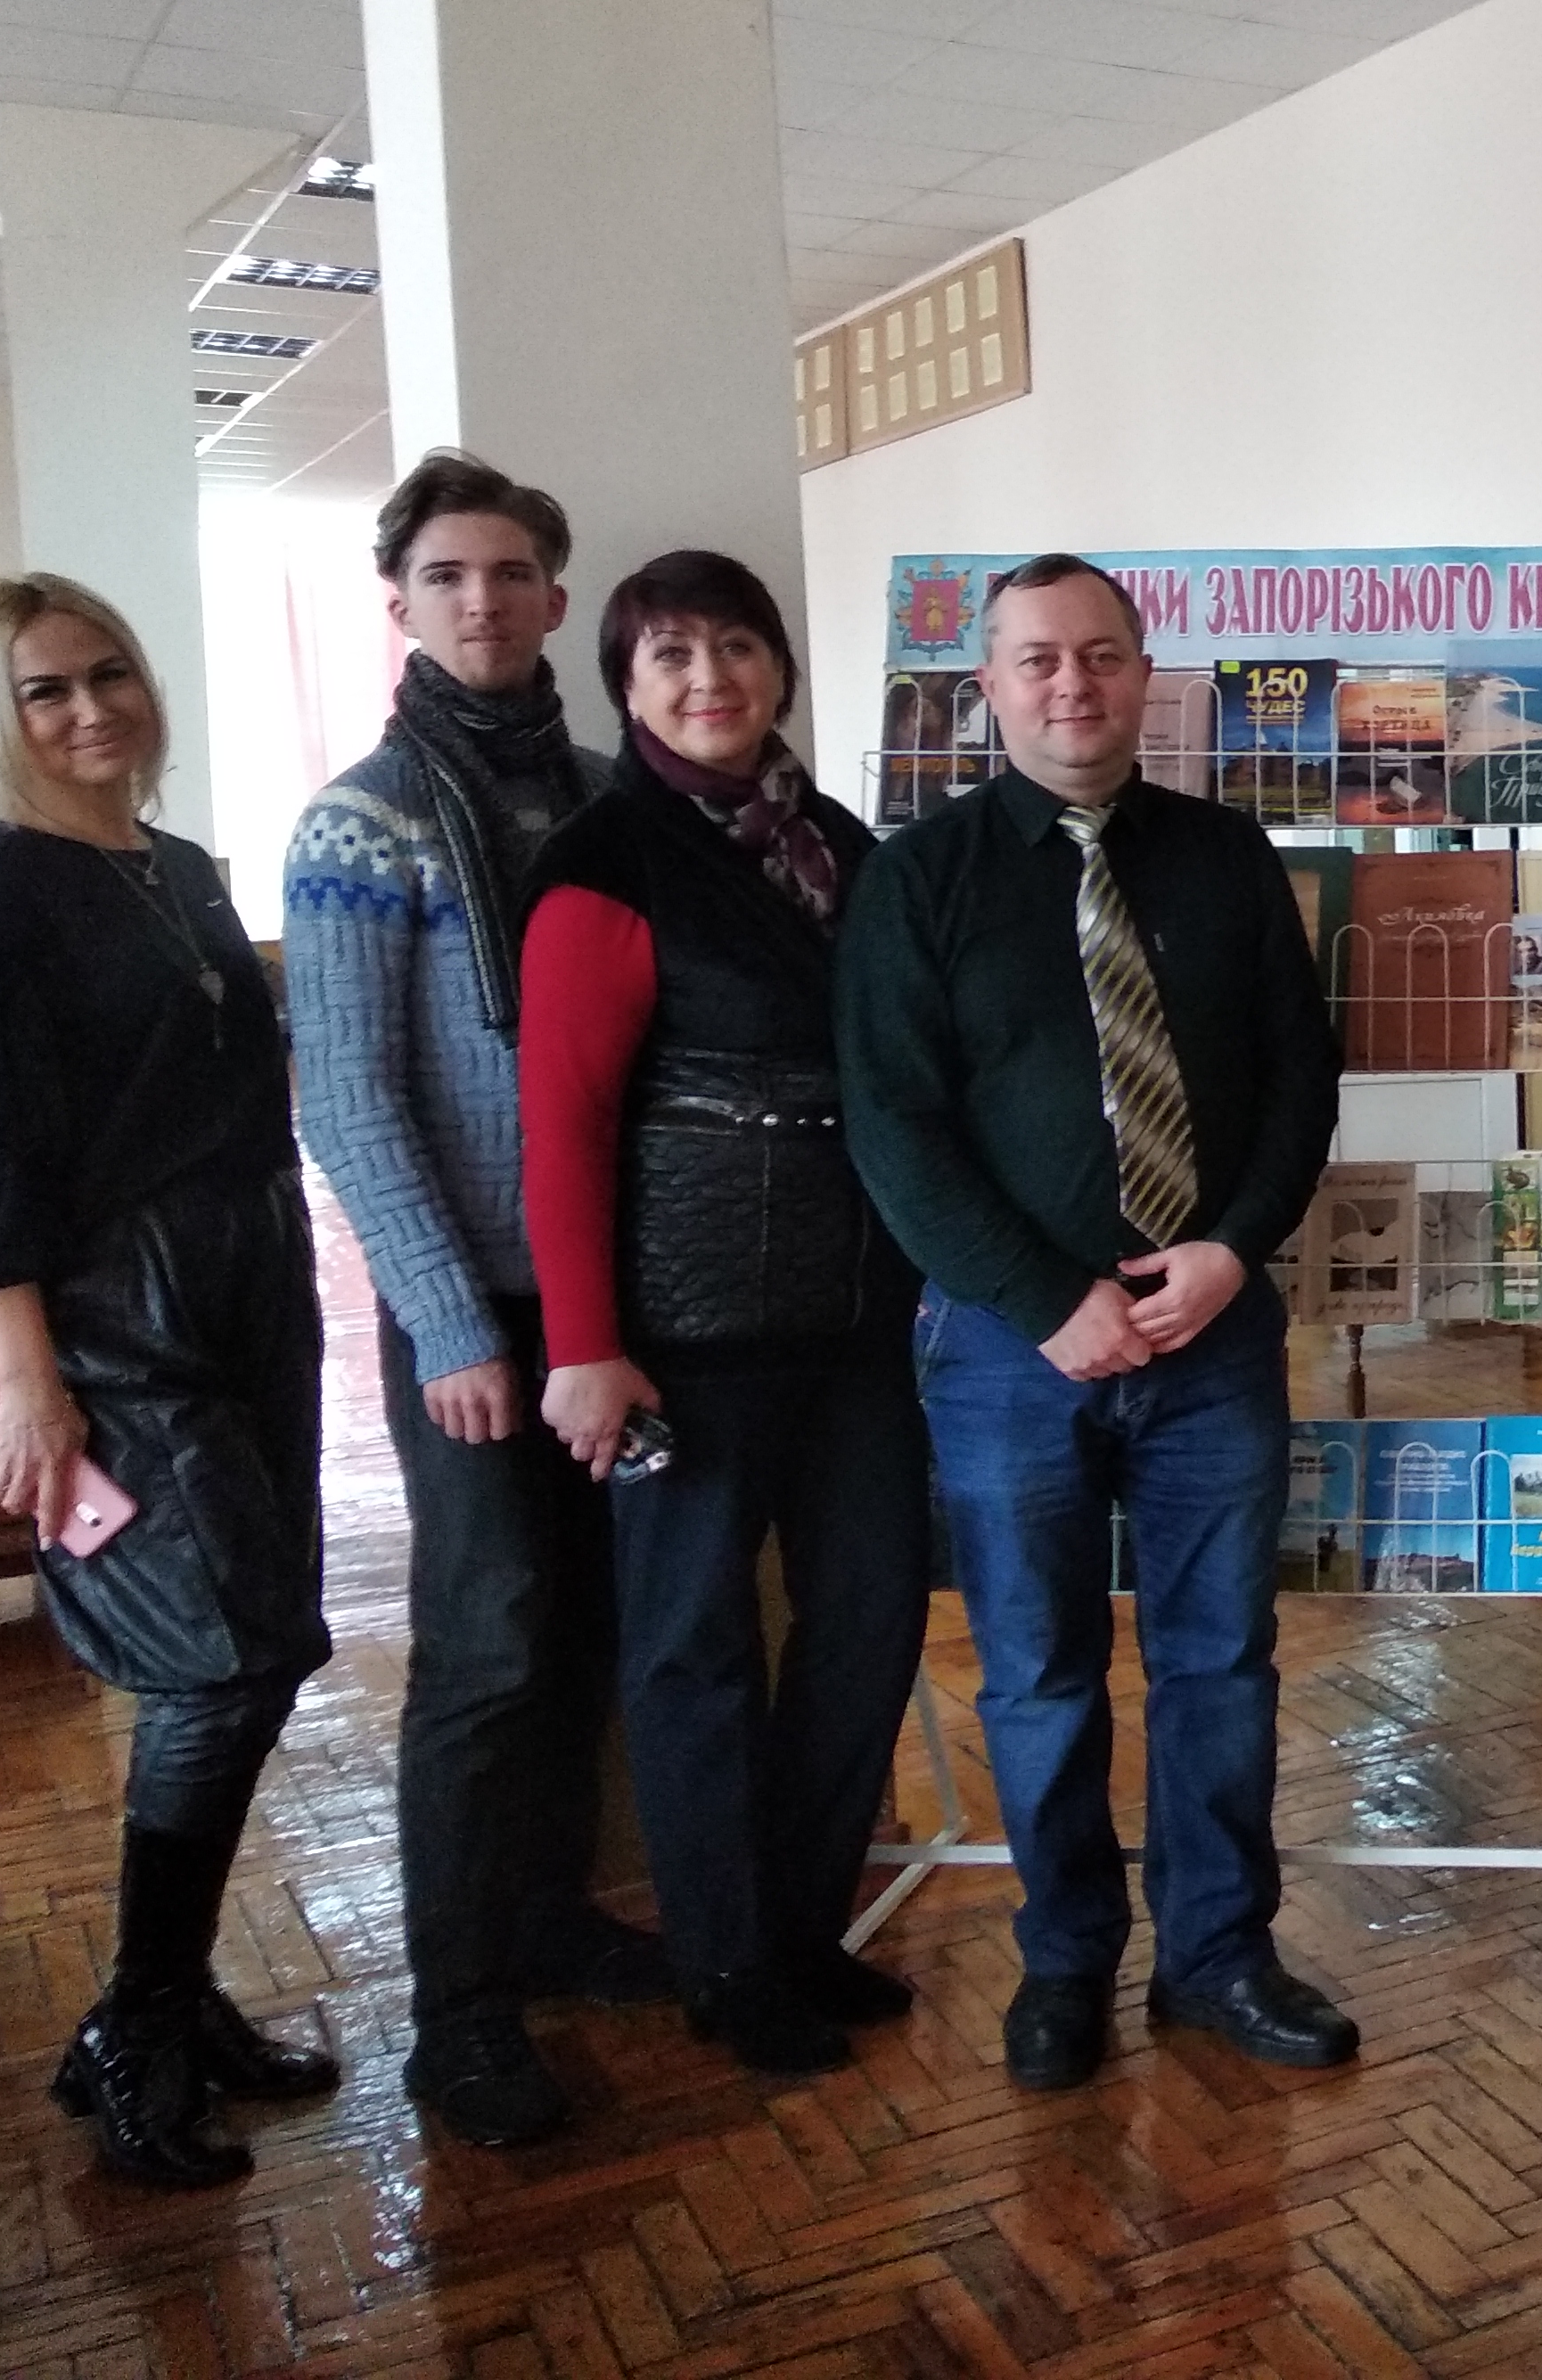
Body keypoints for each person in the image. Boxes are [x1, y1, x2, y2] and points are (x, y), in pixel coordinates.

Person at [838, 553, 1348, 2093]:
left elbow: (1300, 1078)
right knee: (1037, 1676)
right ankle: (1064, 1964)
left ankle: (1218, 1957)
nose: (1074, 684)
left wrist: (1233, 1252)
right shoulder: (918, 879)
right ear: (988, 685)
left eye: (1103, 655)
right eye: (1040, 659)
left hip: (1211, 1335)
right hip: (1013, 1353)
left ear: (1143, 672)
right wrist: (1044, 1300)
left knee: (1221, 1663)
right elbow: (896, 1127)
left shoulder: (1227, 856)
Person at [285, 450, 665, 2150]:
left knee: (582, 1626)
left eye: (510, 573)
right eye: (446, 576)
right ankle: (458, 2014)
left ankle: (551, 1919)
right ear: (400, 604)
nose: (482, 601)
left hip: (611, 1306)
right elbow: (351, 1102)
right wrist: (448, 1323)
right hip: (473, 1319)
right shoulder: (359, 822)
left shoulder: (608, 798)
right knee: (488, 1644)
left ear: (557, 598)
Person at [519, 552, 931, 2079]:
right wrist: (583, 1345)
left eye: (738, 647)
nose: (711, 680)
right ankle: (726, 1960)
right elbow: (562, 1126)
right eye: (672, 655)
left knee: (870, 1617)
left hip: (857, 1317)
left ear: (780, 668)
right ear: (626, 686)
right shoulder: (602, 860)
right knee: (693, 1649)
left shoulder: (841, 846)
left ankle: (808, 1925)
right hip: (682, 1333)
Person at [0, 575, 340, 2187]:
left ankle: (170, 1998)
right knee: (220, 1661)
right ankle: (137, 2021)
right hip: (123, 1319)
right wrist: (27, 1384)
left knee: (262, 1648)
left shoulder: (178, 869)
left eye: (107, 673)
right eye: (44, 691)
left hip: (256, 1288)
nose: (89, 710)